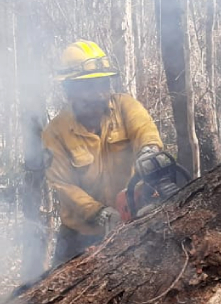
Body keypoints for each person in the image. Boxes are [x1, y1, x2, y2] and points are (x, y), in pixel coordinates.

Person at [43, 40, 164, 266]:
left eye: (103, 83)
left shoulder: (125, 107)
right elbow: (63, 185)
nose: (100, 93)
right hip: (80, 235)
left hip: (132, 222)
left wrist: (149, 152)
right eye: (89, 86)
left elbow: (145, 130)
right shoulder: (56, 132)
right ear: (69, 90)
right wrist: (101, 213)